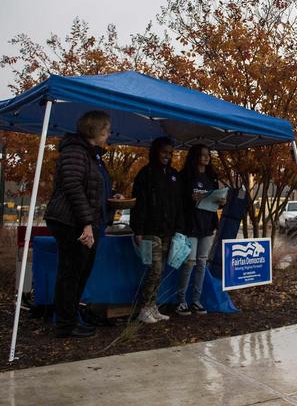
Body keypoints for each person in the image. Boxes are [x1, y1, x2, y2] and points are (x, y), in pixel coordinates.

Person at [44, 111, 122, 338]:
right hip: (71, 221)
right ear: (94, 130)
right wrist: (86, 224)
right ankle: (65, 324)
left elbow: (93, 188)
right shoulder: (75, 151)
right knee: (71, 272)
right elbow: (73, 187)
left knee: (80, 272)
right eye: (106, 130)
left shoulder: (93, 156)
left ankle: (71, 317)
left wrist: (112, 195)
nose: (108, 134)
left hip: (86, 221)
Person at [131, 137, 184, 324]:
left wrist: (178, 228)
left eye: (170, 153)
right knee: (154, 269)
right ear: (155, 152)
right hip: (149, 230)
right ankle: (144, 308)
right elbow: (138, 204)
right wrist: (137, 229)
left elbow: (178, 203)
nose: (167, 156)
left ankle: (153, 306)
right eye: (164, 152)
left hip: (168, 230)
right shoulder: (145, 174)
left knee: (160, 271)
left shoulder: (174, 175)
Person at [175, 144, 224, 316]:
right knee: (189, 263)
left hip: (207, 225)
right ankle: (181, 301)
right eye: (202, 155)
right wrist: (191, 199)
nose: (206, 157)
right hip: (191, 225)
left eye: (208, 155)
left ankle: (196, 300)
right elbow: (179, 202)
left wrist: (221, 201)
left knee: (202, 263)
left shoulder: (211, 176)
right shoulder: (185, 176)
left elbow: (216, 198)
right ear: (195, 156)